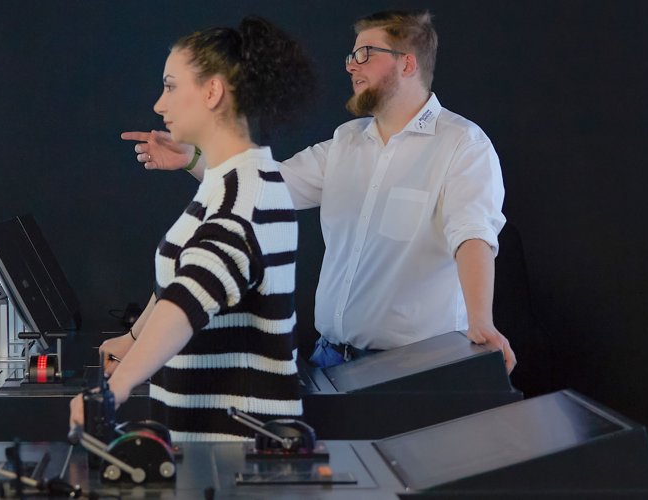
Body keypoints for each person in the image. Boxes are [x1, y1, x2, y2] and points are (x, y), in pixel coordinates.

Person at [118, 10, 514, 372]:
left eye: (365, 55)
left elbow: (473, 236)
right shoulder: (346, 142)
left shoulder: (463, 146)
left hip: (410, 372)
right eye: (350, 57)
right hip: (330, 361)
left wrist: (481, 323)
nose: (351, 67)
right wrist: (194, 158)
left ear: (407, 62)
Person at [69, 16, 318, 442]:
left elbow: (190, 297)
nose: (158, 105)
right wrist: (134, 337)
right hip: (209, 447)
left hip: (232, 450)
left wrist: (115, 388)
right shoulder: (230, 181)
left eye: (170, 86)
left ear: (212, 91)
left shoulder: (245, 196)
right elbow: (182, 274)